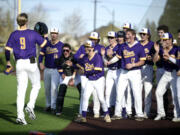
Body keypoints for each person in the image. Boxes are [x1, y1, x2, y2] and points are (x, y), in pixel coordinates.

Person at [4, 13, 47, 125]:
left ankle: (20, 117)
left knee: (21, 91)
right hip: (31, 62)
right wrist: (45, 37)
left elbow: (7, 50)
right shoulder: (32, 33)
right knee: (36, 85)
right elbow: (44, 45)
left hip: (19, 64)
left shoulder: (14, 34)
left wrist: (8, 62)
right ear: (26, 21)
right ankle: (30, 105)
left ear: (18, 22)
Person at [108, 29, 146, 121]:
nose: (126, 36)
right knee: (119, 92)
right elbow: (118, 57)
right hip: (123, 72)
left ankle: (139, 114)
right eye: (126, 35)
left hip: (135, 72)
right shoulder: (123, 46)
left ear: (133, 35)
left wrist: (133, 64)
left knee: (136, 93)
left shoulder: (139, 46)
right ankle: (117, 113)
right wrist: (110, 62)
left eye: (128, 34)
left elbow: (142, 61)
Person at [76, 40, 111, 123]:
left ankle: (106, 114)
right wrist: (73, 64)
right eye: (85, 47)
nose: (86, 48)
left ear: (92, 48)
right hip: (90, 80)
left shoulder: (97, 57)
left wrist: (84, 71)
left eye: (88, 47)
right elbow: (78, 63)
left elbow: (96, 70)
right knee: (85, 96)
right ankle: (83, 117)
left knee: (101, 98)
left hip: (99, 79)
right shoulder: (85, 57)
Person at [74, 32, 105, 118]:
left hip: (96, 74)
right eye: (91, 38)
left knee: (96, 94)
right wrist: (80, 56)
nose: (93, 40)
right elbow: (75, 57)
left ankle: (96, 112)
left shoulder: (101, 48)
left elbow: (104, 61)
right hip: (85, 74)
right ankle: (81, 112)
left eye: (94, 39)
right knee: (84, 93)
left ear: (98, 40)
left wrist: (103, 55)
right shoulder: (84, 47)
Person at [153, 33, 180, 121]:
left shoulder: (176, 49)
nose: (166, 41)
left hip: (175, 74)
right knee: (158, 92)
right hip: (166, 73)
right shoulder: (161, 49)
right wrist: (157, 51)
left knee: (175, 95)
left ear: (171, 40)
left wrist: (168, 57)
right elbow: (155, 60)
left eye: (167, 39)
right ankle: (161, 113)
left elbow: (178, 62)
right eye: (164, 40)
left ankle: (177, 115)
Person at [39, 27, 64, 113]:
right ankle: (48, 105)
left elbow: (65, 57)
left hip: (56, 70)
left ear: (58, 34)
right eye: (52, 33)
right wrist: (40, 62)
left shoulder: (61, 45)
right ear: (50, 34)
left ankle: (53, 107)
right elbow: (41, 54)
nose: (53, 35)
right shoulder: (46, 43)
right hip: (47, 69)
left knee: (53, 88)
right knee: (47, 89)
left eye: (55, 33)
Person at [56, 43, 81, 115]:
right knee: (61, 92)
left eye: (67, 50)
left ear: (70, 51)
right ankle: (58, 110)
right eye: (64, 50)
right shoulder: (60, 58)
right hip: (65, 75)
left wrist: (72, 78)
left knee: (81, 90)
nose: (65, 52)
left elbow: (78, 67)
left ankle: (83, 109)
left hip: (74, 75)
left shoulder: (74, 57)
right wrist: (62, 74)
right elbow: (59, 68)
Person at [102, 31, 120, 117]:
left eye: (112, 37)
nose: (110, 39)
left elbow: (118, 58)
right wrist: (106, 60)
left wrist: (110, 59)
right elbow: (105, 61)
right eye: (109, 37)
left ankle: (120, 111)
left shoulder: (119, 47)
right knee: (107, 92)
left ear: (116, 38)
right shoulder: (106, 48)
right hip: (109, 70)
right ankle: (107, 110)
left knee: (118, 92)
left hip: (118, 71)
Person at [139, 28, 154, 119]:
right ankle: (139, 111)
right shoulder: (138, 44)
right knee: (138, 91)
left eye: (144, 34)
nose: (142, 35)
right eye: (141, 34)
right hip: (138, 68)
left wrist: (152, 57)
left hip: (148, 67)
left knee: (147, 90)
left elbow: (156, 56)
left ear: (148, 35)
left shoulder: (152, 44)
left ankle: (146, 112)